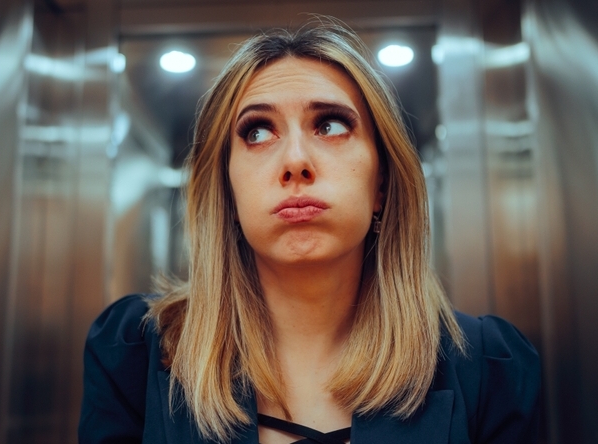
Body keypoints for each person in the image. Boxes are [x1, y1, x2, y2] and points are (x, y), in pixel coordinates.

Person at [79, 19, 540, 444]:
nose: (296, 161)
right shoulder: (134, 355)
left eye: (330, 125)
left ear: (381, 183)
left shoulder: (489, 370)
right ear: (228, 193)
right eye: (258, 132)